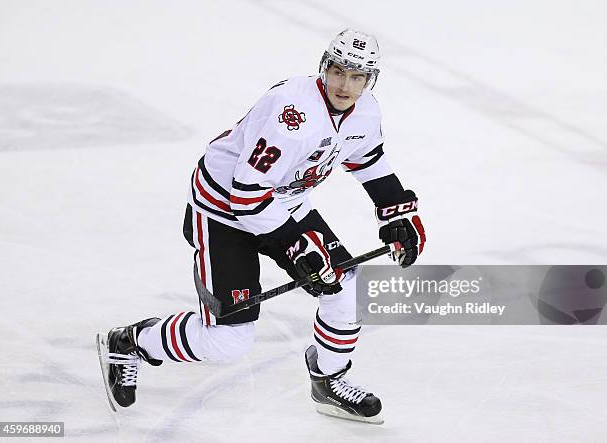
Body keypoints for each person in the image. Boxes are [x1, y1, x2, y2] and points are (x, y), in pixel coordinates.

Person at [97, 28, 426, 424]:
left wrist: (397, 211)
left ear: (370, 80)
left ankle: (328, 381)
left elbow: (367, 159)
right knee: (227, 340)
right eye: (339, 71)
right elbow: (246, 194)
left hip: (283, 203)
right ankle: (131, 341)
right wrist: (296, 247)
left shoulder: (366, 110)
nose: (345, 84)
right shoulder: (291, 110)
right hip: (224, 211)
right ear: (325, 67)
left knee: (347, 290)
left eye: (358, 77)